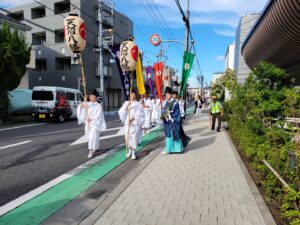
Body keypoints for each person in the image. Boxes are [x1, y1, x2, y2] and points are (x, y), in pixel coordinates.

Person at [77, 89, 106, 159]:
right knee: (90, 137)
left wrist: (92, 118)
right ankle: (94, 148)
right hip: (88, 124)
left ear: (96, 97)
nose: (91, 97)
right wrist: (84, 101)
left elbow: (99, 115)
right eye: (90, 96)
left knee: (93, 137)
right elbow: (80, 107)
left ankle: (91, 151)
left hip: (95, 124)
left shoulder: (98, 105)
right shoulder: (88, 104)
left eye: (93, 96)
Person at [118, 89, 144, 160]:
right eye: (131, 94)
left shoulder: (138, 104)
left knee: (133, 138)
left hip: (134, 123)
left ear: (135, 95)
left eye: (133, 94)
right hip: (127, 123)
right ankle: (129, 150)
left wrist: (133, 118)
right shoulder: (126, 103)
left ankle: (133, 152)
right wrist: (126, 107)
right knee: (127, 138)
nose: (132, 96)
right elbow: (121, 112)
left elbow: (140, 114)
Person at [161, 87, 183, 154]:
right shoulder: (166, 103)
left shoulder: (175, 103)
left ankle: (169, 150)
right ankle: (171, 149)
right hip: (167, 123)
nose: (167, 96)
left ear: (171, 95)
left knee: (171, 135)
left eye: (168, 94)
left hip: (173, 123)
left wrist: (172, 118)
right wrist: (164, 117)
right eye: (166, 94)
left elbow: (177, 114)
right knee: (169, 135)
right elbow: (165, 112)